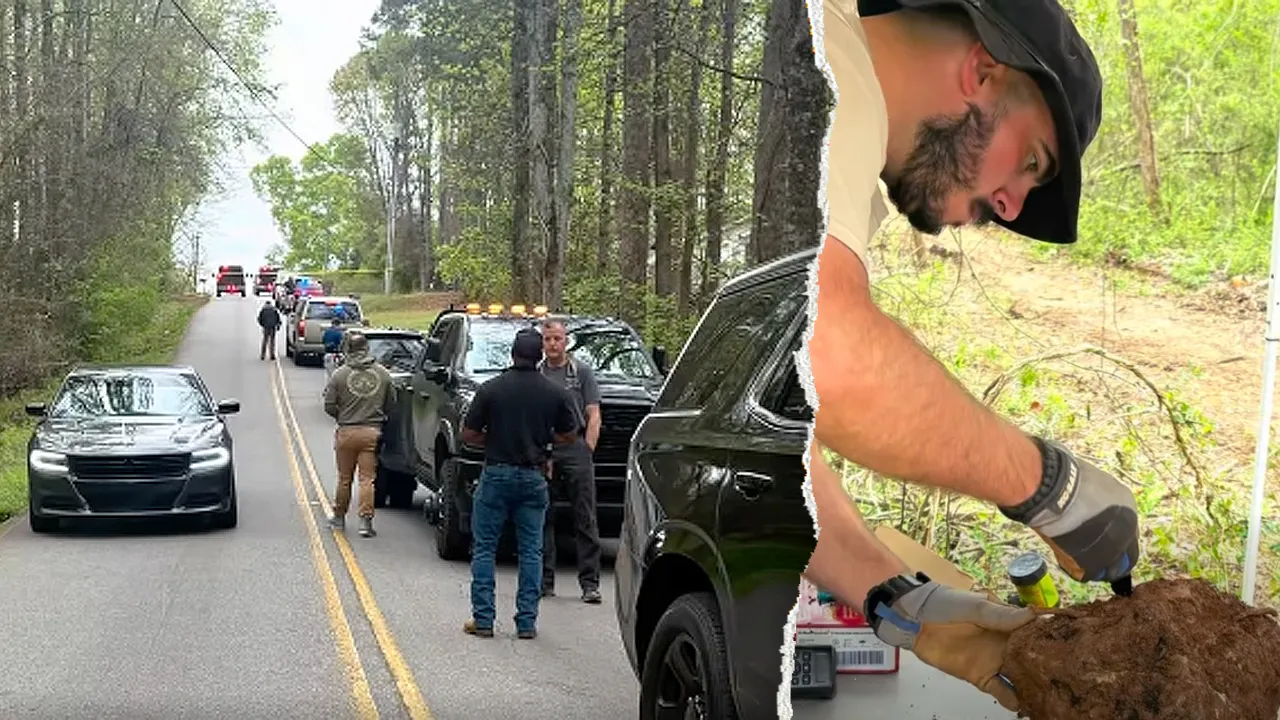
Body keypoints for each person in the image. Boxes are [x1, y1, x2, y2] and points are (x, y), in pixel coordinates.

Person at [802, 0, 1142, 712]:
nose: (1013, 209)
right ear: (984, 67)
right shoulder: (832, 72)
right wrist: (1050, 486)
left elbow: (766, 431)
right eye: (1031, 162)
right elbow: (824, 353)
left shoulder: (841, 159)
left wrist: (902, 600)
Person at [460, 328, 578, 640]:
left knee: (485, 547)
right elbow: (570, 434)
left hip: (497, 473)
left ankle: (483, 620)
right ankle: (526, 622)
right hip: (533, 476)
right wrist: (544, 441)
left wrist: (494, 438)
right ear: (539, 355)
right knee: (531, 551)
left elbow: (468, 434)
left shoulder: (491, 389)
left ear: (512, 354)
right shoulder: (554, 393)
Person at [537, 319, 604, 604]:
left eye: (558, 339)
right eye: (548, 339)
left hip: (576, 448)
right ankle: (544, 581)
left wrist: (587, 447)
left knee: (585, 517)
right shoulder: (537, 374)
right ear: (542, 343)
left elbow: (594, 413)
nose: (553, 344)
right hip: (546, 450)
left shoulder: (581, 373)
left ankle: (590, 583)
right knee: (543, 516)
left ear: (566, 341)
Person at [323, 332, 395, 538]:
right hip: (372, 432)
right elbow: (392, 402)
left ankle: (338, 518)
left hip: (346, 431)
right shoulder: (382, 374)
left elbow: (328, 404)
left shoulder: (339, 374)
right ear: (366, 348)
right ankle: (365, 522)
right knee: (367, 479)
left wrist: (342, 416)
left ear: (348, 349)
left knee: (344, 478)